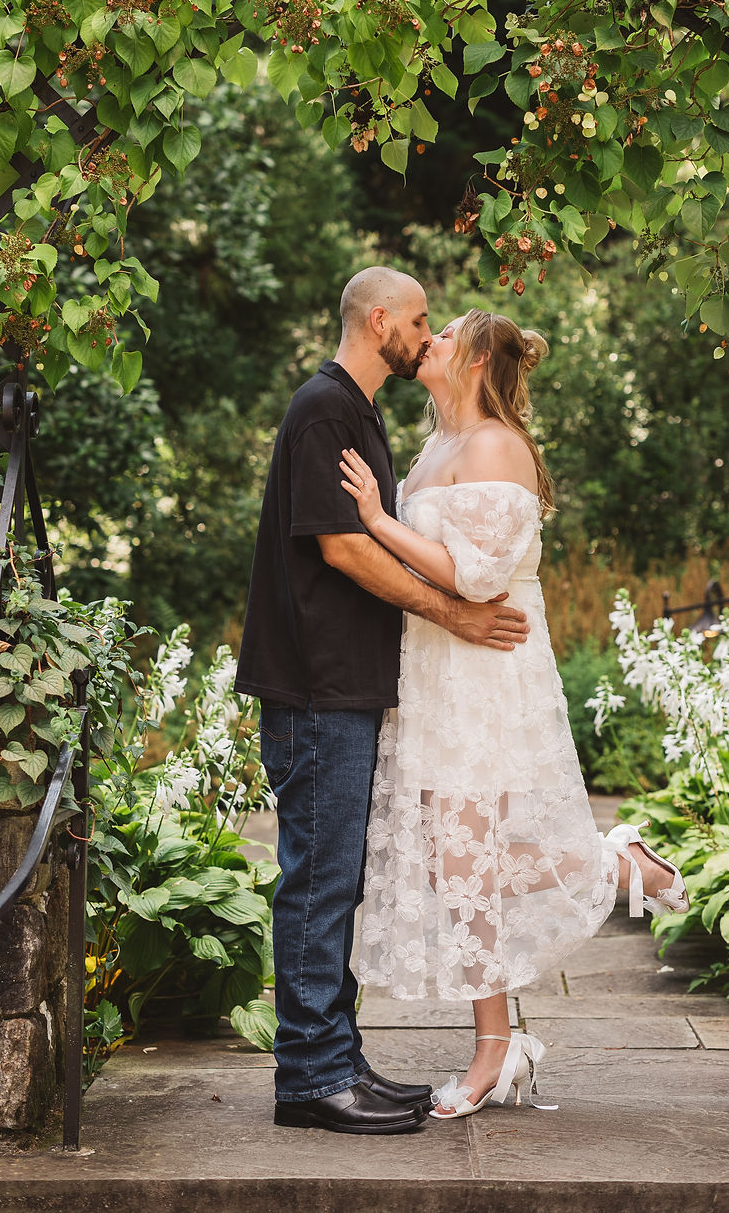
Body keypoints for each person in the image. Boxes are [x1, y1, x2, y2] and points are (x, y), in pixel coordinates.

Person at [338, 308, 689, 1119]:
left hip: (485, 673)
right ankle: (613, 866)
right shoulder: (434, 446)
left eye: (448, 327)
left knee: (465, 864)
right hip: (430, 670)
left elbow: (480, 577)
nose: (432, 334)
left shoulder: (496, 444)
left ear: (478, 357)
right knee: (449, 864)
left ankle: (496, 1048)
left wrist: (380, 521)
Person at [235, 269, 531, 1135]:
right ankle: (312, 1079)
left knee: (335, 882)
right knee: (318, 885)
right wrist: (453, 615)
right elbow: (341, 548)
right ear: (380, 322)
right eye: (419, 321)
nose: (426, 333)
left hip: (347, 686)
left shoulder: (360, 413)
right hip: (317, 686)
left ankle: (337, 1059)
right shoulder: (325, 408)